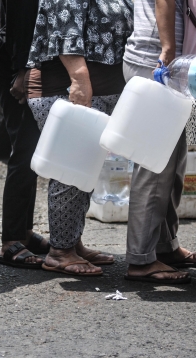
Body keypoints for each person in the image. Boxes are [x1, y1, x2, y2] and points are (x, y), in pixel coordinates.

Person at [25, 0, 133, 275]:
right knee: (70, 172)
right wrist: (79, 79)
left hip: (96, 91)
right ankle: (60, 252)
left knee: (85, 172)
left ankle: (71, 241)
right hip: (67, 89)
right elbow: (65, 29)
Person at [123, 0, 194, 284]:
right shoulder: (164, 56)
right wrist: (168, 52)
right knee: (154, 167)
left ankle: (165, 246)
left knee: (173, 161)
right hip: (157, 62)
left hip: (163, 62)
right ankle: (141, 260)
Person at [0, 0, 48, 269]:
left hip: (29, 61)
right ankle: (11, 239)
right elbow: (19, 19)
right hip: (16, 63)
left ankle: (24, 231)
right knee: (24, 148)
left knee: (32, 148)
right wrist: (22, 71)